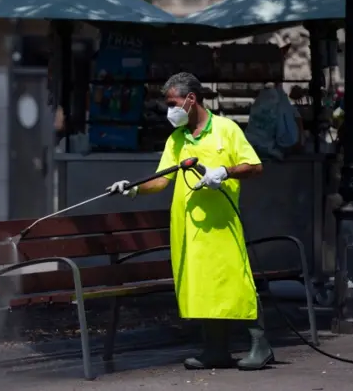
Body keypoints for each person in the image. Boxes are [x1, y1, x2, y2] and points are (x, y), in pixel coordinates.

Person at [107, 72, 273, 371]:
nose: (169, 110)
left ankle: (260, 346)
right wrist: (132, 188)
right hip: (189, 226)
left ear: (191, 99)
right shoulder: (177, 139)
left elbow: (255, 166)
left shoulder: (226, 129)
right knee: (202, 287)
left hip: (222, 223)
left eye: (173, 103)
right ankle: (215, 350)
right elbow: (160, 181)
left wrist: (224, 171)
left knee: (236, 282)